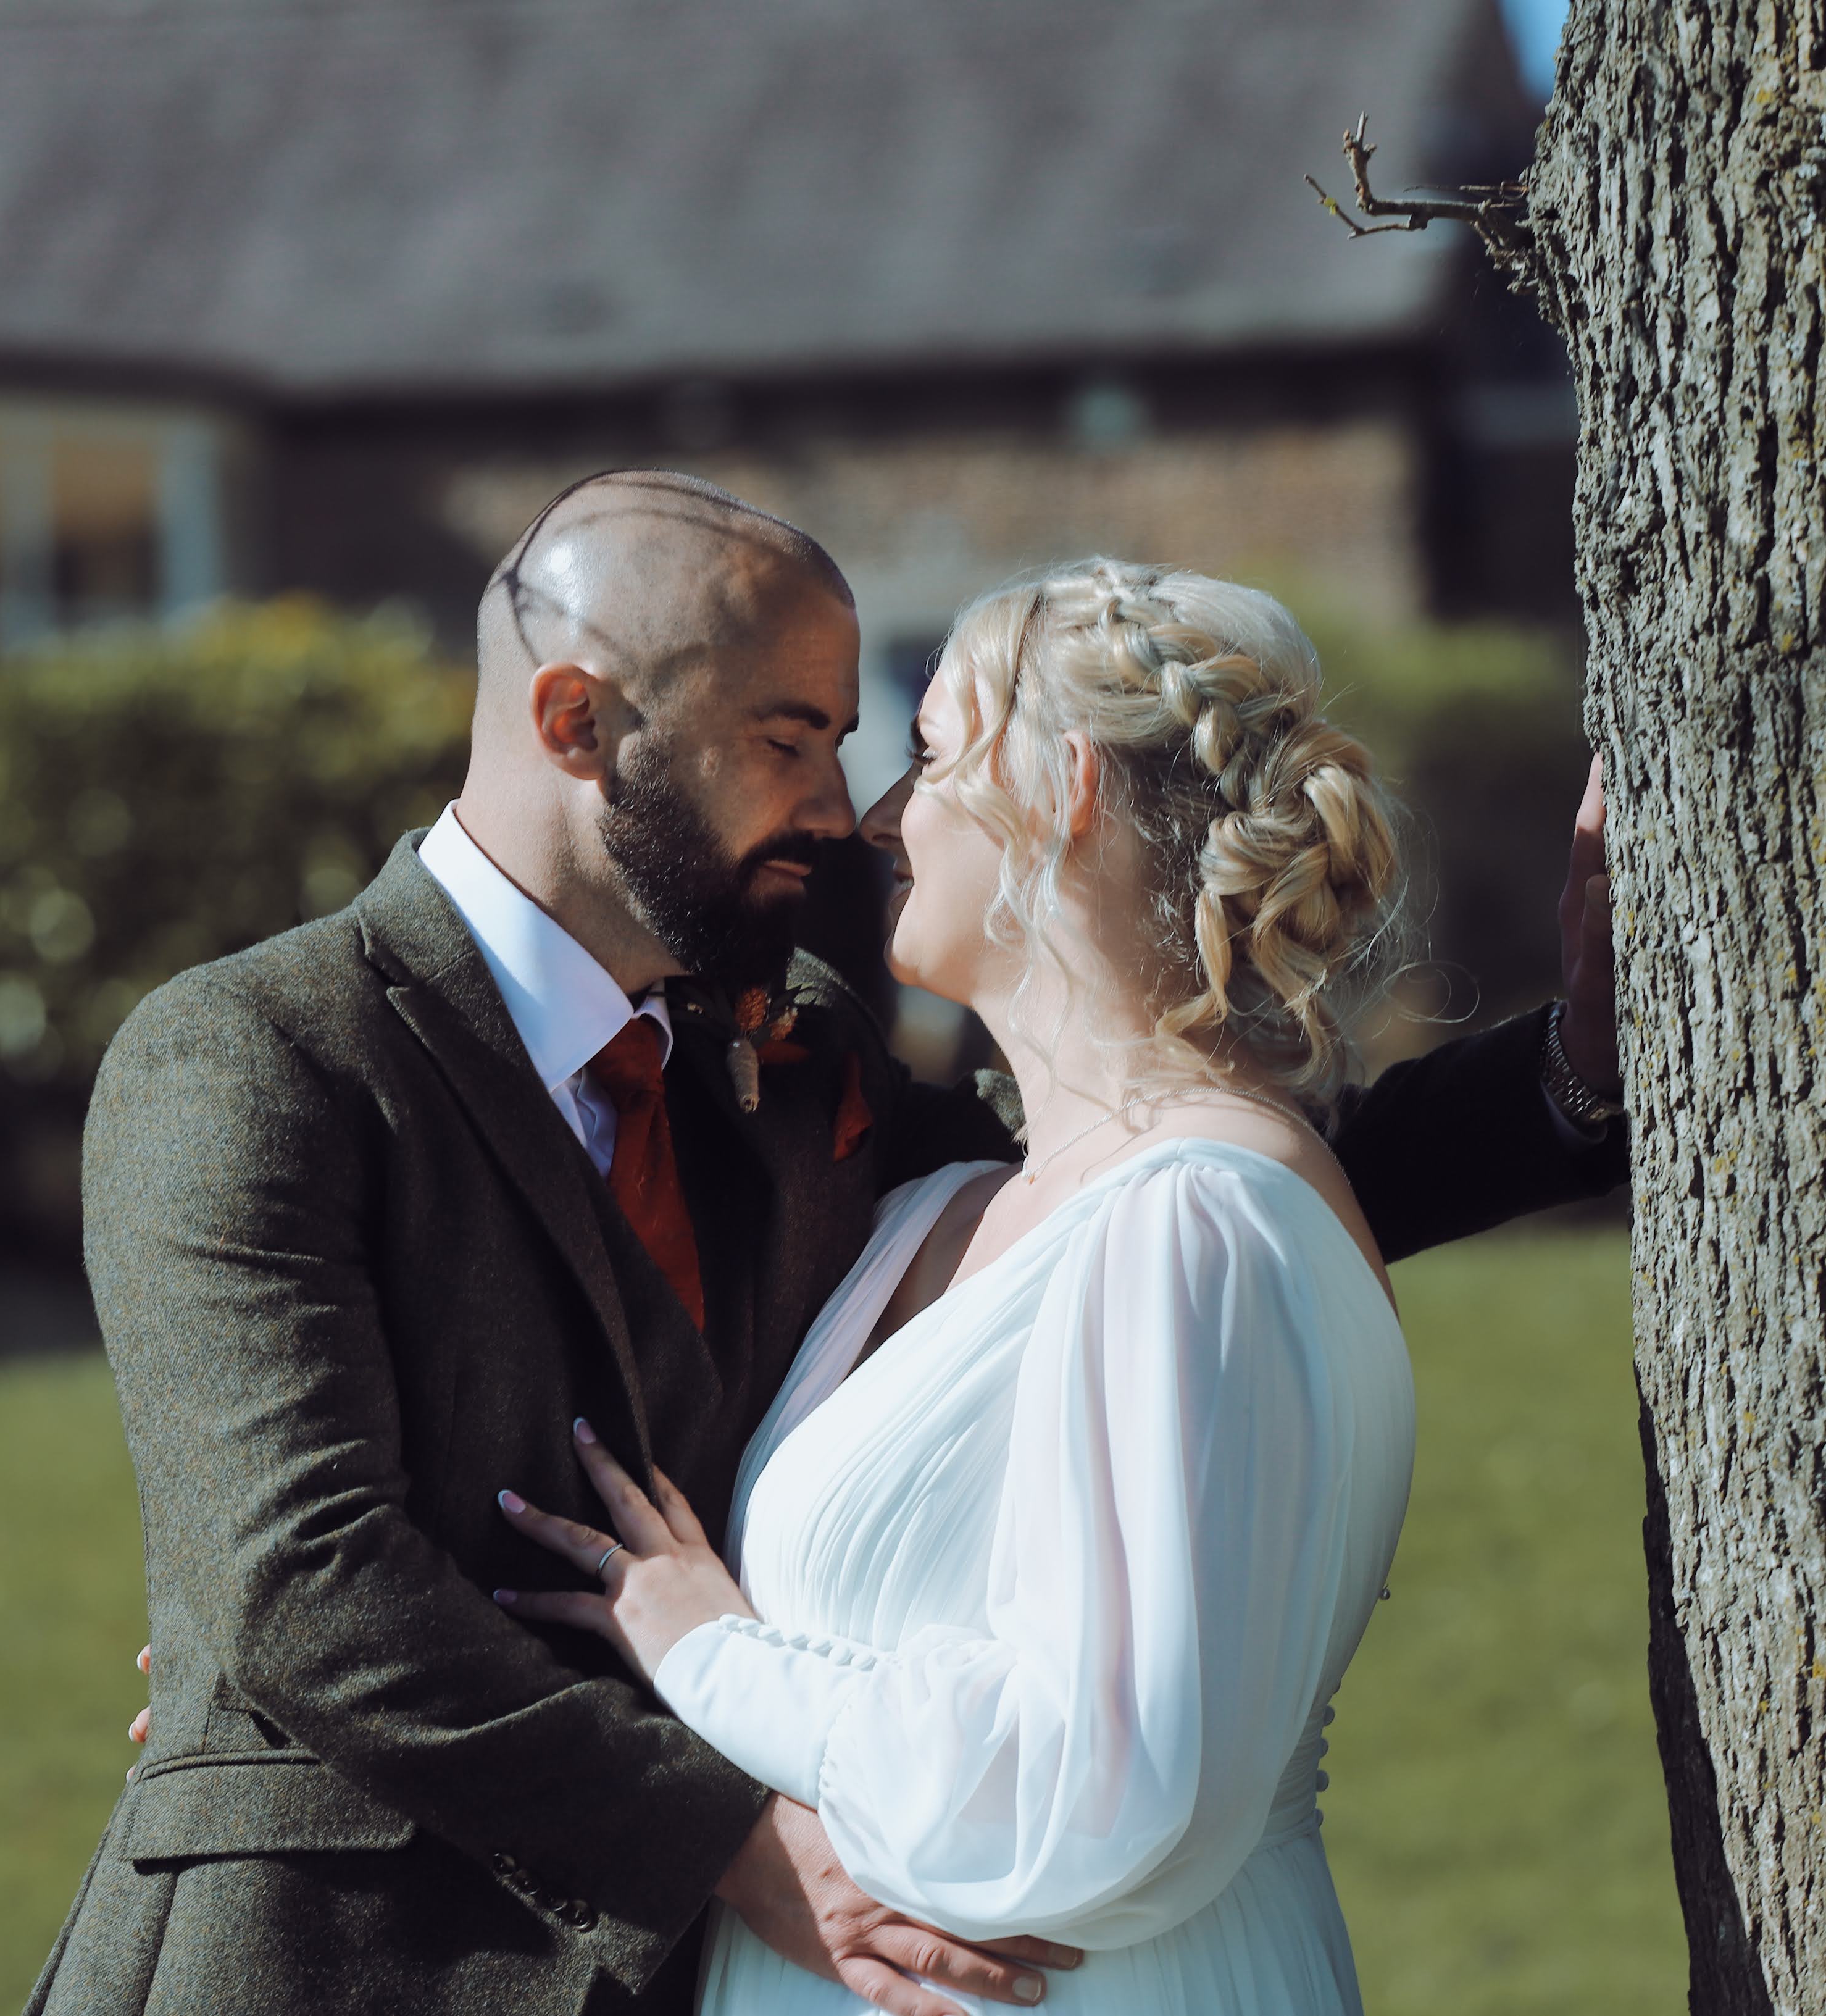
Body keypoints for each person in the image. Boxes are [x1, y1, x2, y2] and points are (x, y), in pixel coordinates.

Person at [27, 474, 1623, 2016]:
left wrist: (1570, 1075)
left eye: (856, 744)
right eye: (784, 739)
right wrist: (729, 1843)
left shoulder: (801, 1060)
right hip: (332, 1963)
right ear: (576, 723)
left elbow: (1122, 1214)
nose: (840, 810)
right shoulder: (257, 1055)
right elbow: (301, 1579)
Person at [498, 559, 1445, 2014]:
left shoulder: (1194, 1222)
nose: (878, 818)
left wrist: (713, 1654)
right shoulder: (933, 1212)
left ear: (1065, 788)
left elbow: (1104, 1782)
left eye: (931, 755)